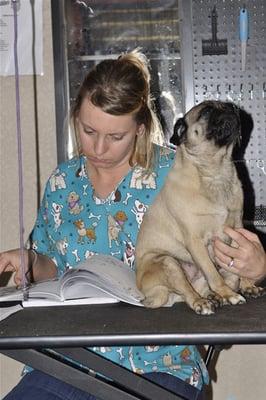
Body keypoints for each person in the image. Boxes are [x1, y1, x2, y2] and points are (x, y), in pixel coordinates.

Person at [0, 49, 265, 400]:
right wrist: (32, 263)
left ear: (140, 129)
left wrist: (257, 267)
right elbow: (53, 268)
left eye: (115, 137)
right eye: (88, 130)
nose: (97, 148)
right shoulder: (63, 183)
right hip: (69, 362)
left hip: (161, 363)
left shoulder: (183, 169)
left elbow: (228, 249)